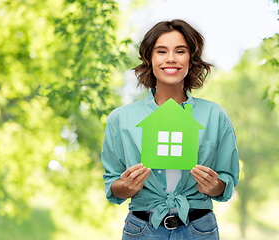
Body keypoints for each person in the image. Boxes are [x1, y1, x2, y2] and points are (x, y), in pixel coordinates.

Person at [101, 19, 239, 240]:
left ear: (191, 60)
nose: (171, 58)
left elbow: (227, 180)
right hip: (142, 230)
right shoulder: (121, 119)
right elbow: (112, 183)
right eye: (162, 51)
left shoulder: (215, 116)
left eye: (180, 51)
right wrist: (126, 187)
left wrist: (215, 186)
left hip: (199, 229)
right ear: (150, 59)